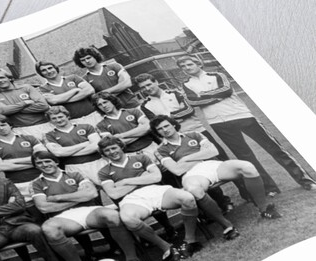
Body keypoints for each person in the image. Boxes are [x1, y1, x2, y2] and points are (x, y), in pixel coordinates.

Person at [177, 55, 316, 195]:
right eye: (183, 66)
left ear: (198, 63)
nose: (187, 68)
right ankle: (270, 188)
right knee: (245, 156)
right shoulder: (187, 84)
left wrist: (202, 95)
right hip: (217, 122)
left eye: (189, 64)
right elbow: (193, 102)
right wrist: (214, 96)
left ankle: (305, 180)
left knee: (274, 148)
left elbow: (226, 91)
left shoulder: (217, 75)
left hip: (241, 115)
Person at [150, 115, 281, 236]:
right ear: (157, 133)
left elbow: (213, 151)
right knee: (194, 189)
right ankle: (227, 225)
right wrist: (201, 156)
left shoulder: (194, 134)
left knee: (247, 167)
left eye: (166, 126)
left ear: (173, 124)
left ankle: (264, 210)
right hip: (191, 174)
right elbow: (177, 170)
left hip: (212, 165)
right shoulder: (160, 150)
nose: (164, 130)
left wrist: (184, 159)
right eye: (160, 129)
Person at [135, 72, 248, 204]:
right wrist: (175, 116)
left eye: (149, 84)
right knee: (194, 170)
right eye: (143, 87)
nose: (147, 88)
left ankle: (245, 191)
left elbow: (189, 110)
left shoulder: (175, 93)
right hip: (177, 141)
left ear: (156, 82)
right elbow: (156, 123)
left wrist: (166, 117)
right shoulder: (145, 105)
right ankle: (223, 202)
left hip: (197, 132)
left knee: (222, 159)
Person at [98, 136, 201, 260]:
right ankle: (167, 247)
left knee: (187, 198)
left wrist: (125, 181)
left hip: (154, 190)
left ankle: (190, 241)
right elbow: (114, 194)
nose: (112, 152)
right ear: (103, 154)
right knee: (128, 218)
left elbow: (156, 177)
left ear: (121, 147)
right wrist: (143, 178)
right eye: (107, 150)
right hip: (131, 199)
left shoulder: (141, 157)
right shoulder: (104, 172)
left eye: (114, 148)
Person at [31, 150, 139, 261]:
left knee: (112, 215)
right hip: (64, 217)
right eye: (39, 163)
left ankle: (132, 257)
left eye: (47, 161)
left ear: (56, 162)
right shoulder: (36, 183)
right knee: (49, 229)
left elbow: (92, 193)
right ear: (35, 166)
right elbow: (43, 207)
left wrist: (57, 198)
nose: (44, 165)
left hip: (89, 211)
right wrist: (79, 197)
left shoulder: (74, 174)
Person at [0, 114, 44, 201]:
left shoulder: (29, 138)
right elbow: (1, 167)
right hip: (18, 184)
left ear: (10, 125)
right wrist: (35, 162)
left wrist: (8, 162)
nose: (0, 128)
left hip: (40, 178)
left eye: (3, 125)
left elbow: (43, 156)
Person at [44, 106, 106, 185]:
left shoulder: (86, 127)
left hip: (96, 163)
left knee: (110, 188)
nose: (58, 120)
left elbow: (96, 146)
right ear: (50, 121)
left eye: (60, 116)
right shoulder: (49, 135)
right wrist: (83, 144)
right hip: (72, 167)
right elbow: (58, 153)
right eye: (54, 118)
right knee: (87, 194)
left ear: (67, 116)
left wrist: (67, 153)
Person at [0, 68, 50, 140]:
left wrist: (11, 109)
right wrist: (24, 103)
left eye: (2, 77)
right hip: (19, 130)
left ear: (9, 78)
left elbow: (43, 106)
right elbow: (0, 111)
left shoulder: (26, 87)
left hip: (43, 124)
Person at [93, 91, 158, 160]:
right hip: (131, 155)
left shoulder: (133, 111)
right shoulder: (101, 125)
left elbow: (148, 127)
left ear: (112, 101)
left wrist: (121, 136)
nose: (103, 106)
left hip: (151, 147)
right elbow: (114, 144)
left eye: (105, 102)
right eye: (99, 105)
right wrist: (140, 131)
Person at [35, 60, 102, 126]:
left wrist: (62, 100)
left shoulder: (73, 78)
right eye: (44, 70)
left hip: (94, 114)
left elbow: (89, 90)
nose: (48, 71)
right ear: (41, 73)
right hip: (73, 122)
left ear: (55, 68)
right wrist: (75, 90)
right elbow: (54, 101)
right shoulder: (43, 88)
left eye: (50, 68)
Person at [73, 46, 139, 109]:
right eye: (83, 60)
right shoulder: (84, 79)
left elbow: (127, 83)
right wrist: (119, 87)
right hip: (113, 110)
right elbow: (95, 98)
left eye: (89, 58)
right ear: (80, 62)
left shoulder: (114, 66)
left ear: (95, 56)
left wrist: (103, 93)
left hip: (131, 102)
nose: (87, 61)